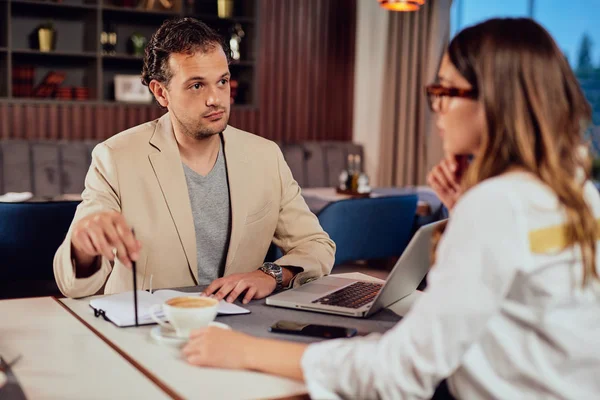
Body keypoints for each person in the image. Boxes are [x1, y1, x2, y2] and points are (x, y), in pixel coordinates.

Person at [181, 18, 600, 399]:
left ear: (494, 102)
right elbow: (514, 309)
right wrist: (463, 212)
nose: (435, 109)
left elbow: (402, 370)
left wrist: (249, 351)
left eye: (445, 91)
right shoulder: (579, 194)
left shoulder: (497, 206)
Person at [53, 17, 335, 301]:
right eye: (197, 86)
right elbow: (73, 286)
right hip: (147, 330)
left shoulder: (265, 156)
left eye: (222, 81)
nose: (216, 98)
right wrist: (82, 246)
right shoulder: (115, 157)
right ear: (161, 92)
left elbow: (316, 245)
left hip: (240, 328)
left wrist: (271, 275)